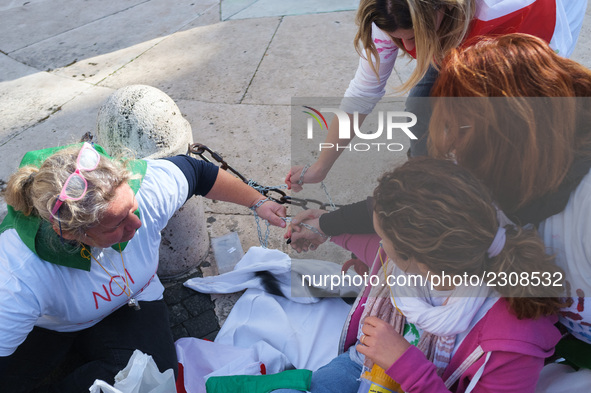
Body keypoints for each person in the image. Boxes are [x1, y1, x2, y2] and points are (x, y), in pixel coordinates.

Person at [288, 33, 591, 369]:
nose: (450, 148)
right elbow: (408, 206)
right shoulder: (493, 161)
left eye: (459, 131)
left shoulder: (583, 210)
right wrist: (325, 226)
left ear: (509, 136)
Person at [0, 142, 287, 392]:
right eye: (118, 224)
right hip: (51, 324)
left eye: (132, 208)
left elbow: (198, 172)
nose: (137, 224)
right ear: (70, 233)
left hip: (130, 299)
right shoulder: (18, 271)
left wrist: (258, 202)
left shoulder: (147, 189)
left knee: (157, 380)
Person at [278, 157, 563, 393]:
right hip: (361, 365)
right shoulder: (437, 258)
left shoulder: (512, 343)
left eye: (382, 237)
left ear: (418, 261)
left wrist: (404, 364)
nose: (378, 242)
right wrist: (323, 230)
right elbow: (372, 246)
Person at [285, 0, 587, 191]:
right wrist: (320, 168)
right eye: (395, 38)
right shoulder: (388, 14)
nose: (404, 46)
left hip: (531, 32)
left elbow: (550, 85)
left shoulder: (513, 6)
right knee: (420, 108)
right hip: (457, 34)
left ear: (443, 7)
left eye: (413, 38)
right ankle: (429, 191)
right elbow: (363, 93)